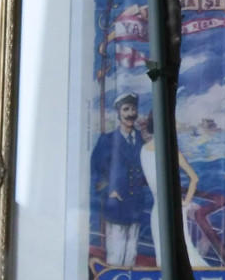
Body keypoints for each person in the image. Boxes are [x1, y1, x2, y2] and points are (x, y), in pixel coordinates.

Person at [140, 114, 209, 270]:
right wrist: (186, 202)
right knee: (184, 255)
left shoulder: (143, 150)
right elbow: (194, 179)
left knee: (163, 258)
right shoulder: (171, 151)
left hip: (157, 212)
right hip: (174, 211)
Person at [89, 92, 149, 266]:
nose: (131, 113)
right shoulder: (106, 140)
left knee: (131, 253)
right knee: (115, 255)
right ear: (118, 113)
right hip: (116, 206)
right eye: (126, 109)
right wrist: (110, 192)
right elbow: (96, 172)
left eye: (133, 109)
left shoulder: (142, 139)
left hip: (136, 206)